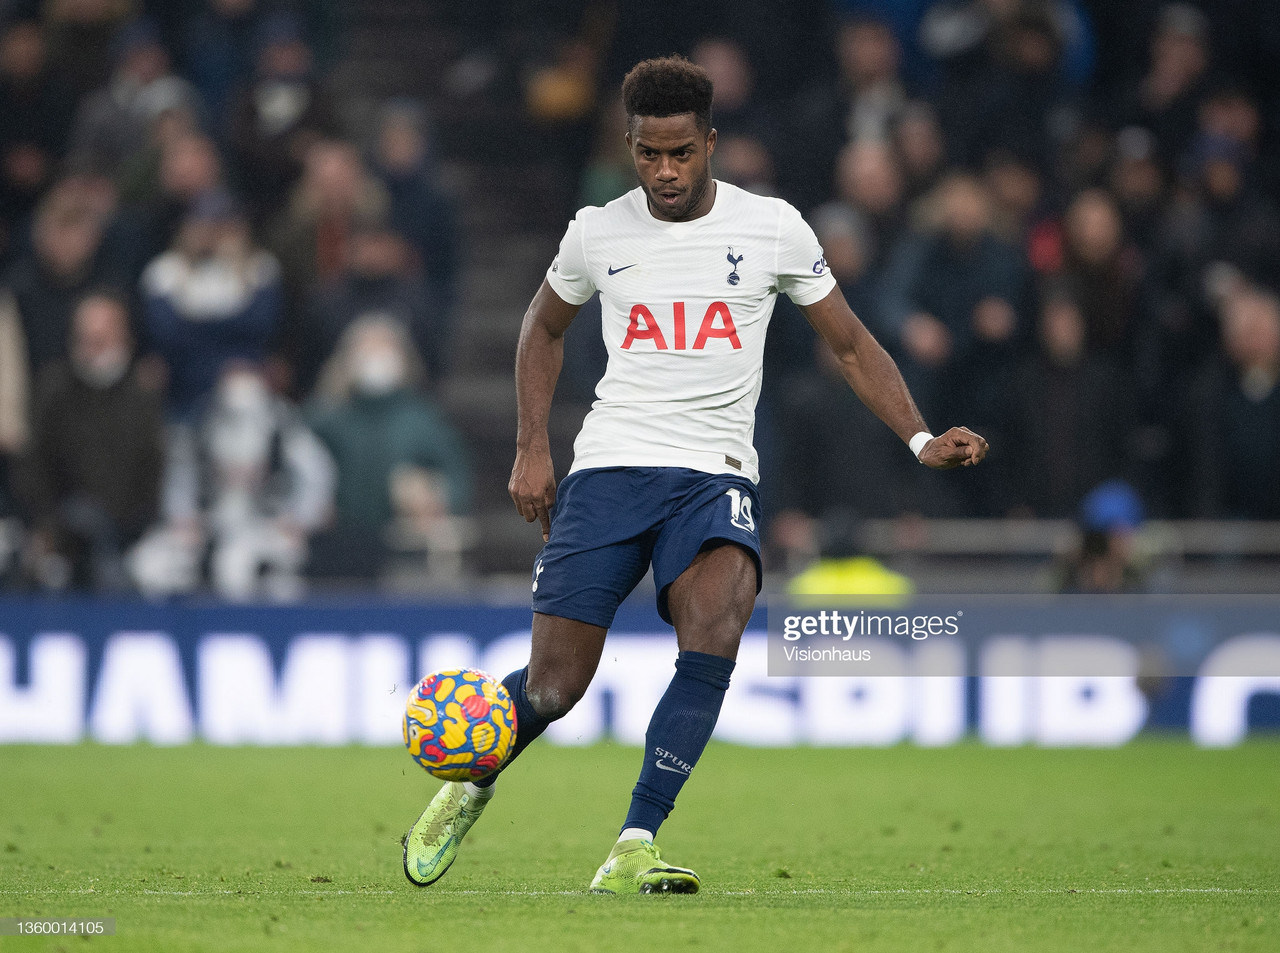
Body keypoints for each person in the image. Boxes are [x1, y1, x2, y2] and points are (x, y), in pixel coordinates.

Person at [401, 56, 987, 896]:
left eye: (680, 153)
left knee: (716, 625)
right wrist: (534, 444)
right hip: (609, 467)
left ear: (710, 142)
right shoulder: (597, 231)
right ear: (631, 146)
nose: (664, 172)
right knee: (555, 686)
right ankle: (473, 779)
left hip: (714, 473)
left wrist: (920, 436)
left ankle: (634, 840)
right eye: (648, 154)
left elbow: (851, 343)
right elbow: (541, 326)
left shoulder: (774, 227)